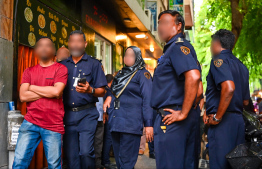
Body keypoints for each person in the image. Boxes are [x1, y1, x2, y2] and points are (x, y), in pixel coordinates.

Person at [151, 10, 201, 169]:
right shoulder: (185, 48)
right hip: (183, 118)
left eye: (165, 23)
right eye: (159, 23)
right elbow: (199, 90)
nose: (160, 27)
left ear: (178, 26)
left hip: (171, 119)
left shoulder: (176, 48)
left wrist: (183, 112)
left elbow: (193, 77)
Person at [13, 37, 68, 169]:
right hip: (30, 121)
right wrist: (48, 91)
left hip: (53, 124)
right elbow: (22, 96)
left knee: (54, 165)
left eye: (47, 45)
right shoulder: (29, 71)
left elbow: (56, 92)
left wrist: (31, 87)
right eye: (40, 45)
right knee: (19, 161)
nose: (44, 48)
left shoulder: (61, 69)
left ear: (53, 50)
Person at [61, 30, 107, 169]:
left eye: (79, 41)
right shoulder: (62, 65)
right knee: (71, 155)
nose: (75, 44)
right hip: (68, 115)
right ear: (69, 44)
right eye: (72, 41)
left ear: (85, 44)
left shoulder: (94, 64)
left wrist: (90, 90)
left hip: (87, 114)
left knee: (86, 152)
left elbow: (102, 91)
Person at [204, 29, 250, 169]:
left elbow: (229, 87)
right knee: (235, 165)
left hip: (222, 123)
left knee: (219, 164)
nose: (211, 47)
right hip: (238, 122)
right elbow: (245, 101)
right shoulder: (242, 66)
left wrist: (217, 117)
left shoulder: (218, 60)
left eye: (212, 43)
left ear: (216, 43)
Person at [103, 46, 154, 169]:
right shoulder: (121, 73)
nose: (127, 58)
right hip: (116, 123)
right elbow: (113, 90)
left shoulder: (143, 74)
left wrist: (148, 124)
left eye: (131, 55)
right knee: (120, 162)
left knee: (126, 163)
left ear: (138, 57)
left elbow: (148, 100)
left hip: (130, 124)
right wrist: (109, 96)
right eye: (126, 55)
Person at [102, 74, 117, 169]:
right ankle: (106, 161)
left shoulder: (103, 88)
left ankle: (105, 160)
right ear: (111, 81)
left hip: (102, 117)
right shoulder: (108, 91)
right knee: (108, 139)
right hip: (107, 117)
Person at [95, 96, 105, 169]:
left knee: (98, 142)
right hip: (87, 117)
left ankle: (97, 165)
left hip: (100, 116)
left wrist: (104, 113)